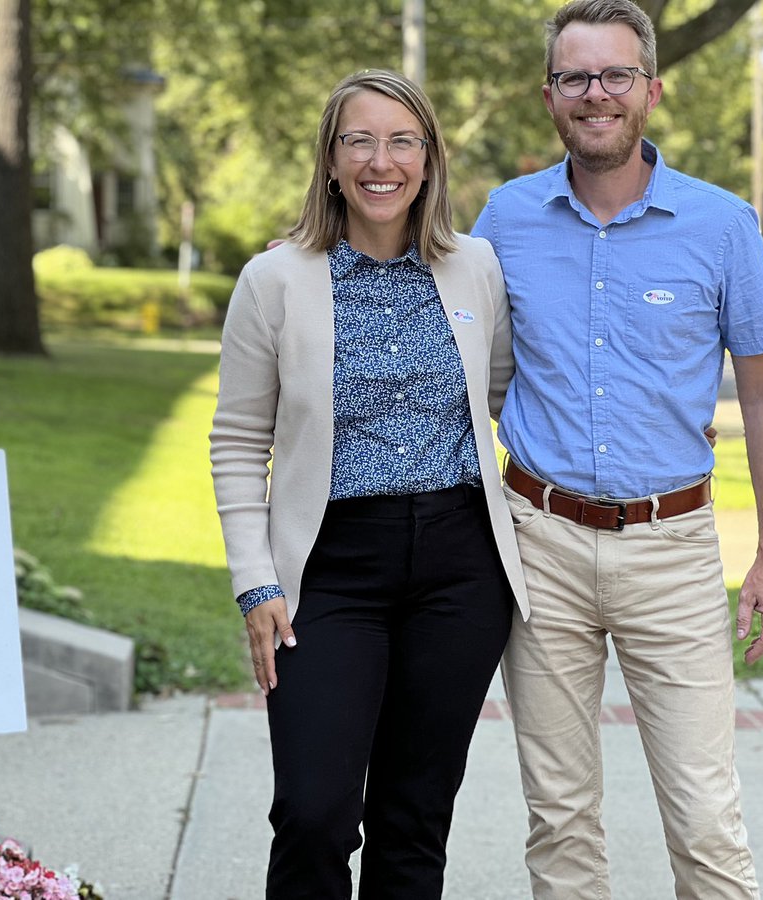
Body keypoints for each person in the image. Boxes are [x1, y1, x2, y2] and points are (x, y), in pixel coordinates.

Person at [470, 2, 763, 897]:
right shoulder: (506, 217)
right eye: (576, 77)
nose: (595, 94)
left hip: (674, 550)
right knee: (560, 818)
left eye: (614, 75)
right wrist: (313, 256)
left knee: (705, 818)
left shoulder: (722, 226)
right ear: (550, 96)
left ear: (650, 89)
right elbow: (435, 310)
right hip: (540, 548)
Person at [209, 68, 531, 900]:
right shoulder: (273, 281)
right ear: (330, 159)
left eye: (401, 141)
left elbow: (509, 400)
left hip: (461, 569)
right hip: (329, 572)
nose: (380, 160)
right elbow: (239, 439)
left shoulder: (477, 268)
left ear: (428, 160)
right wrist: (255, 583)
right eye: (359, 139)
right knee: (315, 815)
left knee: (414, 818)